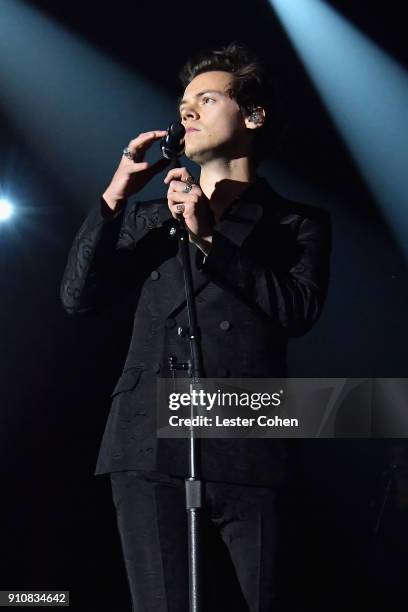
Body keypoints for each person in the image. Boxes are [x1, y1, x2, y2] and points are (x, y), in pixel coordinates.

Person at [61, 42, 331, 611]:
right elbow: (77, 297)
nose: (187, 111)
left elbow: (298, 311)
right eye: (183, 103)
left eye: (206, 99)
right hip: (147, 440)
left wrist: (210, 238)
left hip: (249, 436)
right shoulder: (148, 218)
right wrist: (115, 196)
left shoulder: (296, 223)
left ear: (252, 115)